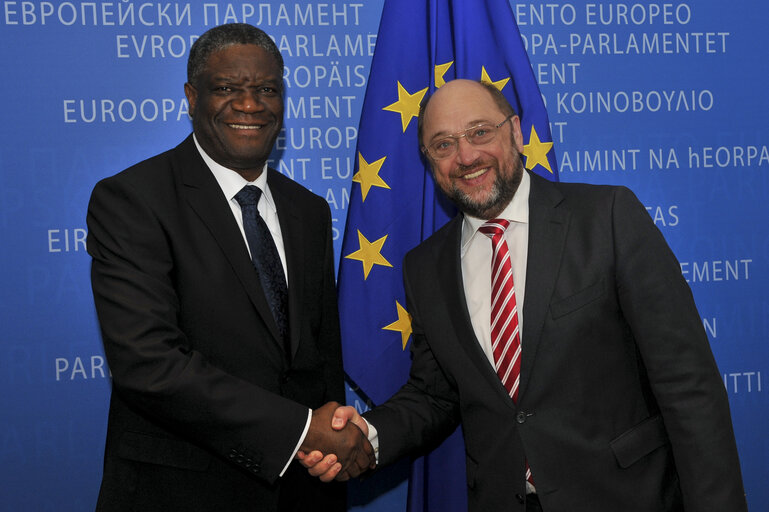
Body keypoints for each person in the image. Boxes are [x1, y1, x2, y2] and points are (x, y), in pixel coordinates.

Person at [301, 79, 748, 511]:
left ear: (515, 131)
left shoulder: (607, 217)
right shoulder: (425, 267)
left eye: (480, 132)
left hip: (627, 496)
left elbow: (688, 386)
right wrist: (367, 436)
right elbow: (435, 395)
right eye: (443, 144)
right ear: (429, 161)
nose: (466, 155)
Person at [86, 23, 372, 512]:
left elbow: (321, 359)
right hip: (181, 494)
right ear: (192, 98)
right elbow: (149, 363)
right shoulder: (133, 199)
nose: (249, 105)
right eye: (227, 89)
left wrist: (334, 439)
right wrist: (302, 430)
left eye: (266, 89)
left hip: (304, 491)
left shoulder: (308, 210)